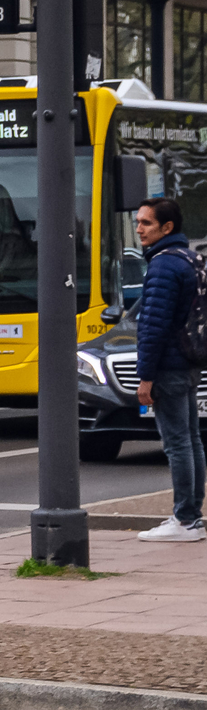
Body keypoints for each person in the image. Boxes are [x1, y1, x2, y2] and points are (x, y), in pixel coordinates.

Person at [133, 196, 205, 541]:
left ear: (167, 227)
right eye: (138, 222)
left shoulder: (162, 266)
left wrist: (145, 376)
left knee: (177, 443)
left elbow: (153, 326)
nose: (139, 229)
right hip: (190, 361)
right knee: (191, 440)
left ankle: (185, 520)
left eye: (146, 223)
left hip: (169, 367)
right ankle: (193, 516)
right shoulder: (191, 259)